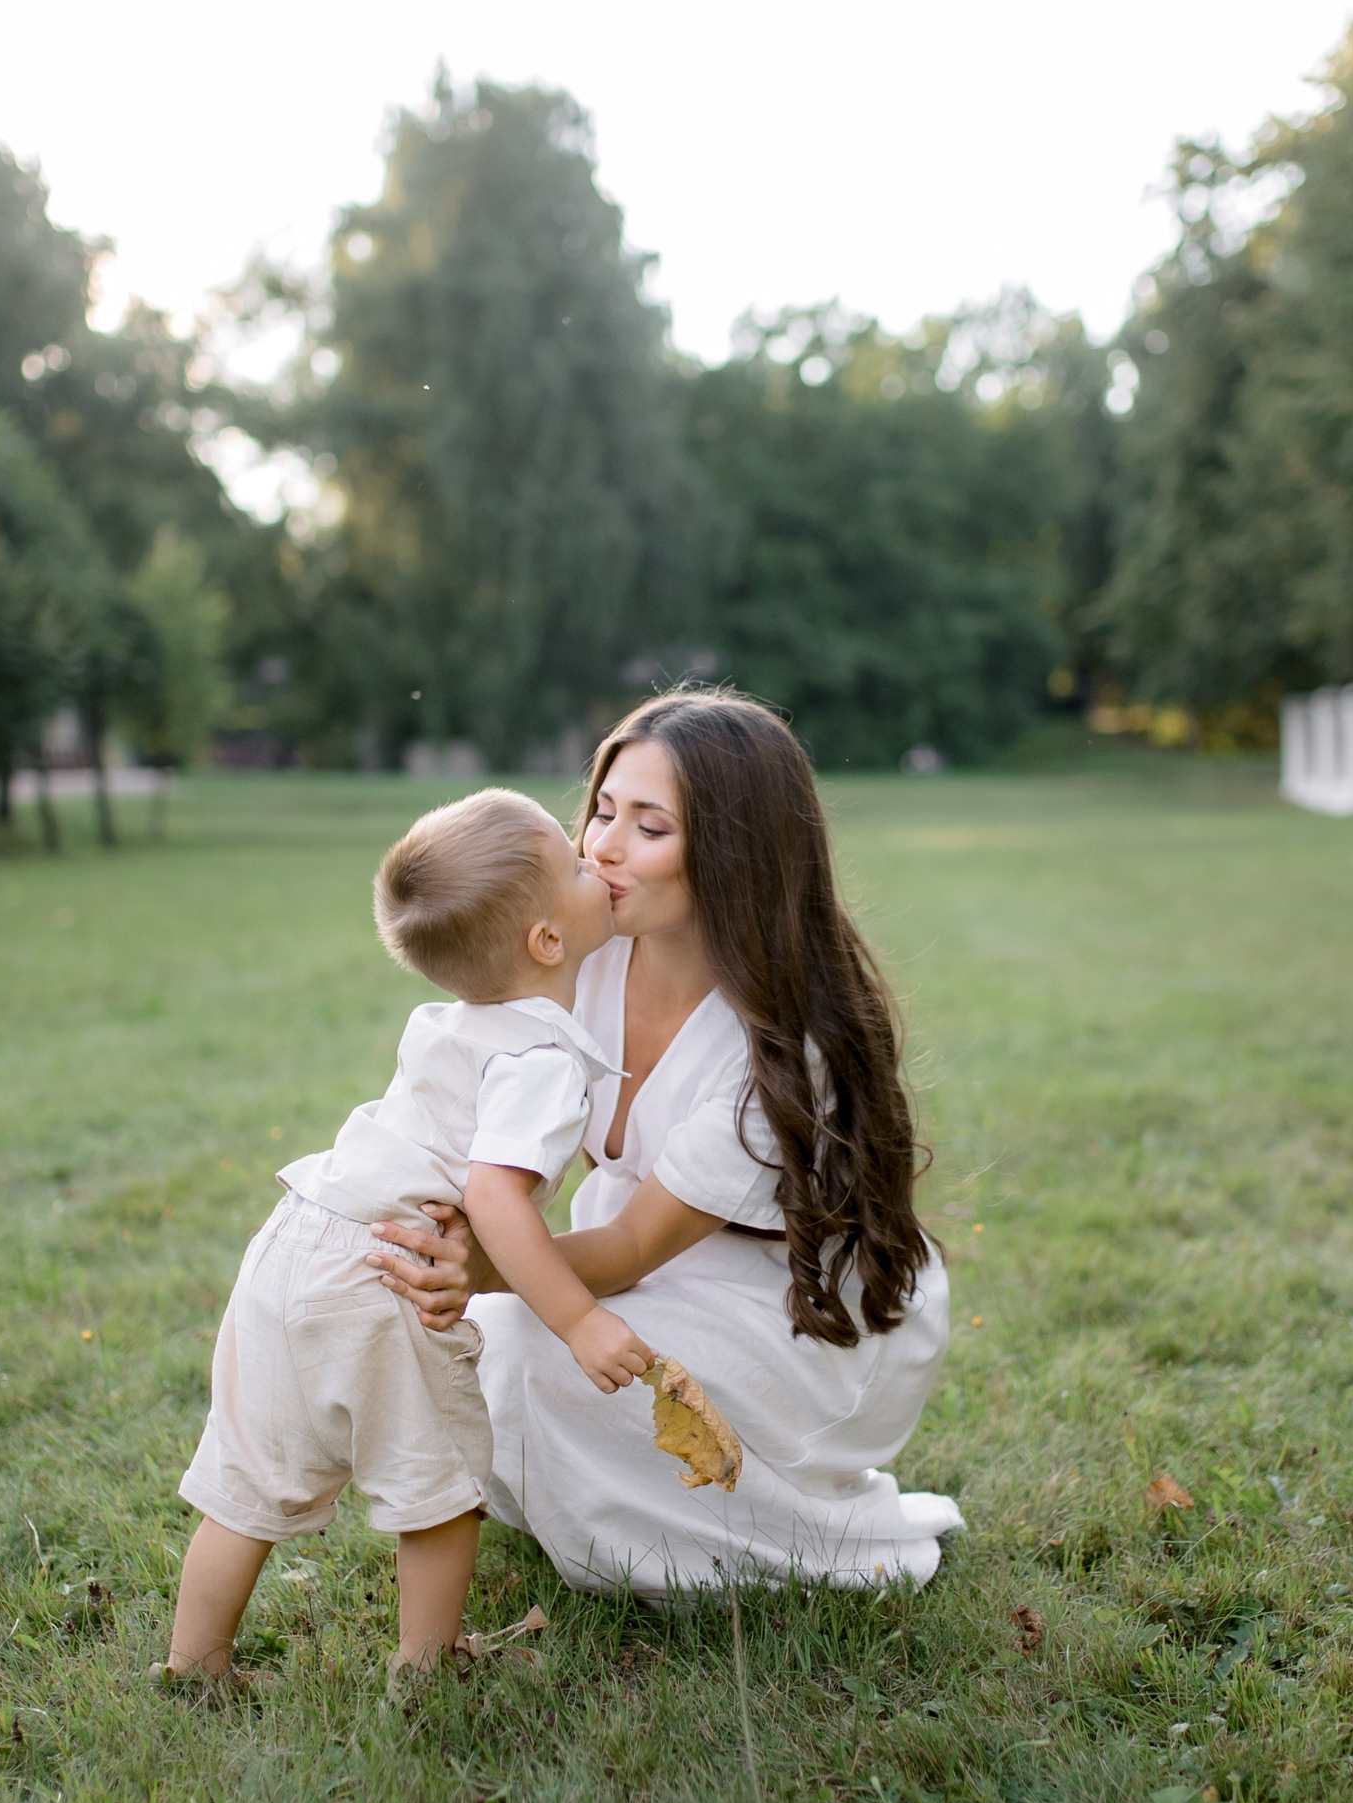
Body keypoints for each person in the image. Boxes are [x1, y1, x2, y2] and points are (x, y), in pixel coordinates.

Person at [378, 691, 960, 1597]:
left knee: (529, 1342)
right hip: (647, 1268)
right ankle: (609, 1505)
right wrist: (444, 1238)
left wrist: (479, 1270)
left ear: (734, 856)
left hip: (793, 1308)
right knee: (481, 1338)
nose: (602, 846)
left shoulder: (776, 1044)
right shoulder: (584, 951)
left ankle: (794, 1540)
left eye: (649, 827)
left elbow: (630, 1247)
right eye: (603, 811)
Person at [161, 786, 646, 1687]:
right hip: (385, 1273)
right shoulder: (539, 1058)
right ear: (547, 941)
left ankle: (195, 1664)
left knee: (251, 1479)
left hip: (296, 1239)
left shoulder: (452, 1023)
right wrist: (578, 1320)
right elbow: (497, 1201)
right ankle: (426, 1669)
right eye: (577, 863)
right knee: (441, 1490)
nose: (597, 857)